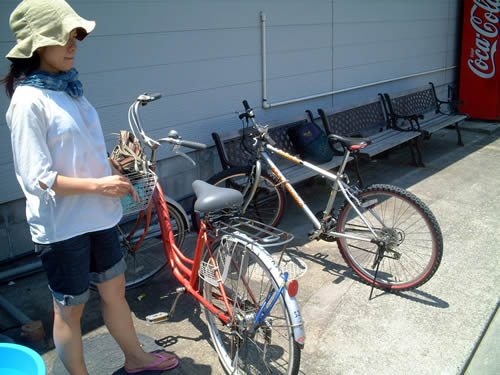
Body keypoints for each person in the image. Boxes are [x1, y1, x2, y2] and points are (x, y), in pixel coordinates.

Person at [2, 1, 179, 373]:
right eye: (63, 37)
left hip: (99, 217)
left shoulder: (71, 89)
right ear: (36, 44)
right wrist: (99, 184)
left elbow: (79, 151)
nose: (73, 45)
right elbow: (38, 179)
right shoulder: (28, 101)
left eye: (76, 37)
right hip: (63, 228)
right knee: (69, 311)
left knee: (115, 292)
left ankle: (135, 358)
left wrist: (113, 165)